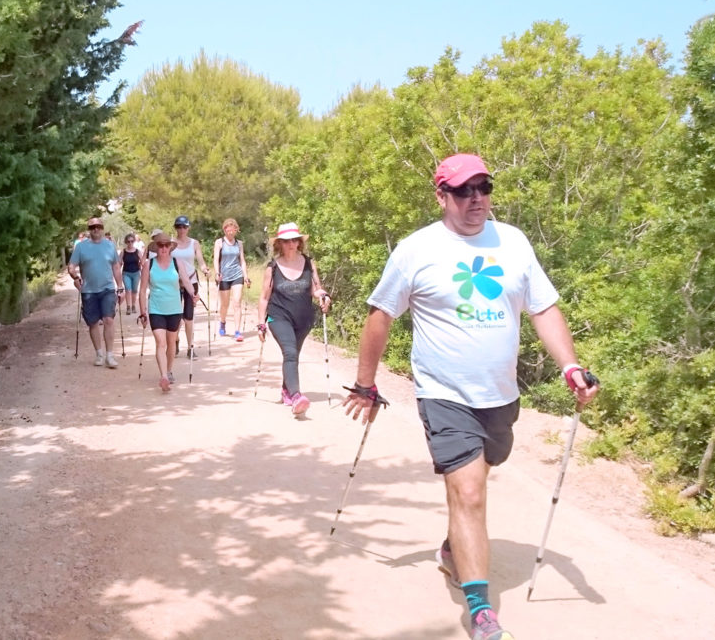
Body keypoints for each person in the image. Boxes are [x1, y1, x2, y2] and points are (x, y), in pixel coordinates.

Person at [341, 153, 599, 640]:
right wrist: (365, 382)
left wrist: (570, 365)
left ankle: (453, 546)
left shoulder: (514, 243)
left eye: (484, 187)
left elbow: (543, 308)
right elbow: (380, 315)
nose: (476, 198)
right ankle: (481, 610)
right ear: (442, 196)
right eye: (464, 190)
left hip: (499, 395)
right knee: (469, 490)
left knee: (487, 466)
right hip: (443, 392)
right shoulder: (417, 250)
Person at [256, 222, 330, 416]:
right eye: (286, 241)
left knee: (293, 355)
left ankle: (286, 390)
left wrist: (324, 296)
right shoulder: (272, 268)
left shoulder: (308, 263)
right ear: (279, 243)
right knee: (289, 352)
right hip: (278, 316)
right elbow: (264, 297)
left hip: (303, 318)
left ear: (299, 242)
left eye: (294, 240)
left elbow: (316, 289)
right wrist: (260, 323)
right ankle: (297, 396)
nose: (291, 244)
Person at [137, 231, 195, 392]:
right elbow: (142, 291)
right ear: (156, 248)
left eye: (166, 245)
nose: (163, 248)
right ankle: (163, 375)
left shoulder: (177, 263)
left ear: (170, 247)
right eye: (160, 245)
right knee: (160, 343)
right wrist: (143, 312)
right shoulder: (149, 264)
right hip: (156, 309)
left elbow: (186, 281)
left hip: (175, 309)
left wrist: (192, 294)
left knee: (171, 343)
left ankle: (168, 370)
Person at [68, 217, 125, 369]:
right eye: (93, 227)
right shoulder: (81, 247)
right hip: (89, 291)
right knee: (93, 323)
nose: (96, 229)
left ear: (102, 228)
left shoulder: (109, 245)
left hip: (107, 289)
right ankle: (99, 353)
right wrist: (75, 276)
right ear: (89, 229)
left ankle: (110, 355)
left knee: (108, 320)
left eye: (98, 226)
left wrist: (120, 287)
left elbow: (116, 267)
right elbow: (71, 266)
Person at [171, 215, 209, 357]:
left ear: (188, 228)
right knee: (175, 316)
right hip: (174, 283)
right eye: (179, 227)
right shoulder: (170, 243)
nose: (182, 230)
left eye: (184, 227)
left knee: (189, 317)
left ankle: (190, 347)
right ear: (175, 228)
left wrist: (205, 269)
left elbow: (200, 260)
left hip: (191, 282)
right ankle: (175, 341)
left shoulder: (194, 243)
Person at [212, 218, 251, 342]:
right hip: (224, 276)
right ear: (224, 230)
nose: (230, 233)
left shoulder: (239, 244)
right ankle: (222, 322)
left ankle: (237, 331)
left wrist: (245, 276)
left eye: (233, 230)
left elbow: (242, 260)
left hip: (237, 275)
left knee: (237, 302)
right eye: (228, 230)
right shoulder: (219, 242)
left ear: (236, 230)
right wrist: (217, 272)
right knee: (225, 304)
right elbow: (216, 259)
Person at [121, 233, 142, 315]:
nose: (130, 243)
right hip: (126, 273)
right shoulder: (123, 252)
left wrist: (142, 266)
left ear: (134, 241)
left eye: (132, 241)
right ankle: (128, 306)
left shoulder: (137, 251)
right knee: (128, 289)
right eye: (128, 241)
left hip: (136, 273)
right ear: (126, 242)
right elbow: (119, 262)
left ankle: (133, 305)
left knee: (134, 290)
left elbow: (142, 260)